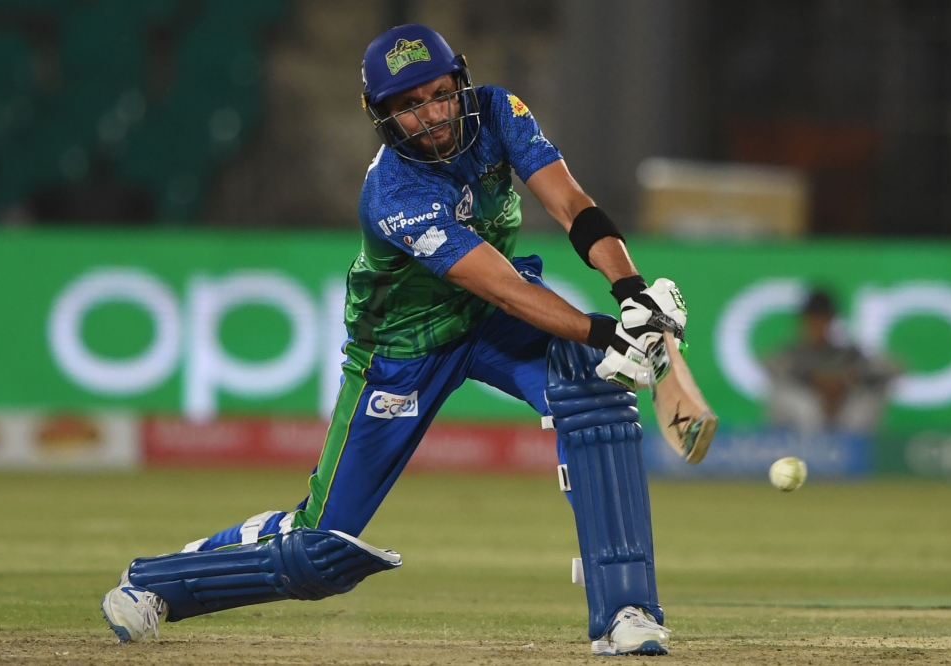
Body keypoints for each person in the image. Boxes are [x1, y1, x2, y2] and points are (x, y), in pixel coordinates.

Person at [100, 25, 688, 657]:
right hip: (402, 351)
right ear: (382, 117)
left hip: (482, 321)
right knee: (319, 550)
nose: (433, 116)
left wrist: (632, 293)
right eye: (409, 106)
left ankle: (626, 611)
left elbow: (571, 205)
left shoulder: (498, 109)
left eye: (440, 94)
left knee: (595, 390)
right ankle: (157, 582)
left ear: (460, 84)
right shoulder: (394, 194)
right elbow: (504, 290)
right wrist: (609, 330)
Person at [766, 289, 899, 433]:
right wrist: (818, 384)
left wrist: (847, 382)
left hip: (845, 421)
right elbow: (770, 367)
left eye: (822, 319)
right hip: (802, 430)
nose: (817, 325)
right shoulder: (790, 355)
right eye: (813, 319)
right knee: (792, 398)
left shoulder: (848, 355)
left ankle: (857, 450)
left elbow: (894, 369)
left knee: (869, 398)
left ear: (831, 320)